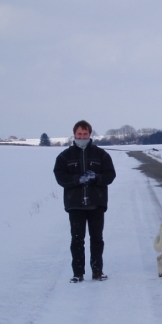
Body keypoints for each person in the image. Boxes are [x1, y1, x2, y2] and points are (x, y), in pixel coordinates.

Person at [54, 120, 116, 283]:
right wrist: (77, 179)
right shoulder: (64, 156)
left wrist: (96, 178)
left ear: (90, 134)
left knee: (97, 238)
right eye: (79, 134)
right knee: (77, 239)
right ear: (74, 134)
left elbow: (110, 175)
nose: (82, 136)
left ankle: (97, 271)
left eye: (85, 134)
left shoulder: (101, 154)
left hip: (96, 203)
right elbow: (60, 177)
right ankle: (78, 273)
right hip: (75, 204)